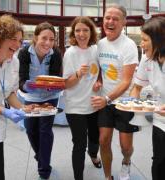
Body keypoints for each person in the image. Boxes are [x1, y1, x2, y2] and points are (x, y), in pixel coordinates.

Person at [91, 4, 139, 180]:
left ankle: (126, 162)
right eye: (107, 18)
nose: (110, 22)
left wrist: (106, 98)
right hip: (106, 101)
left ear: (124, 22)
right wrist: (98, 81)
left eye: (115, 19)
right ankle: (108, 176)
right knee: (103, 140)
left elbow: (126, 81)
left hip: (124, 102)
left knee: (125, 147)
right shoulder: (100, 44)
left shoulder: (129, 46)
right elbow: (101, 71)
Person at [18, 22, 62, 180]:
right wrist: (26, 86)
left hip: (50, 97)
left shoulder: (55, 53)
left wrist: (54, 86)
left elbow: (56, 77)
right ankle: (41, 156)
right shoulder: (24, 53)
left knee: (45, 131)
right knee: (30, 129)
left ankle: (44, 170)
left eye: (52, 39)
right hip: (30, 97)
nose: (48, 43)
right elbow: (21, 80)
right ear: (36, 38)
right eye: (44, 38)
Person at [0, 15, 26, 180]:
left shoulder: (14, 62)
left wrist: (23, 109)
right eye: (13, 39)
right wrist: (4, 111)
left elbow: (8, 92)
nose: (17, 45)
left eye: (20, 40)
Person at [63, 16, 101, 180]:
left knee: (95, 138)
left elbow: (102, 73)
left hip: (94, 104)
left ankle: (93, 155)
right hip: (75, 107)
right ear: (73, 33)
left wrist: (99, 81)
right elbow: (66, 84)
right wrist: (78, 74)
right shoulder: (70, 53)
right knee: (79, 145)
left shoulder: (96, 50)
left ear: (91, 32)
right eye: (77, 30)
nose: (81, 34)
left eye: (85, 30)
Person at [130, 16, 165, 180]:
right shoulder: (146, 58)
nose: (141, 44)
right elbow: (136, 87)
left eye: (144, 40)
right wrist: (132, 103)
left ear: (158, 40)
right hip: (160, 119)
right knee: (158, 160)